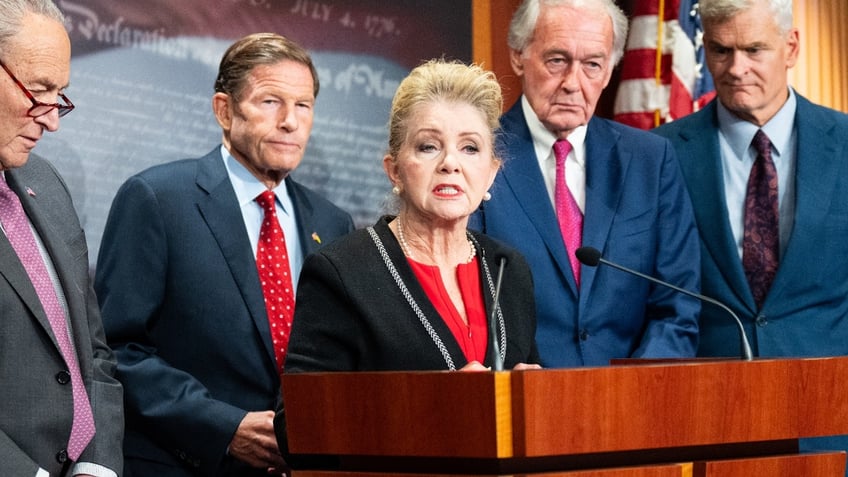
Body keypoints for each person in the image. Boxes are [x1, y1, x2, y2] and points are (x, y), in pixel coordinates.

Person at [94, 33, 354, 476]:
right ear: (224, 110)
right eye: (271, 101)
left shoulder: (334, 224)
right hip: (185, 463)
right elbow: (118, 348)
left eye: (304, 105)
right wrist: (223, 427)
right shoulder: (158, 198)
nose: (290, 121)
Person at [652, 0, 848, 467]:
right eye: (721, 50)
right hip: (709, 417)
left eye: (754, 49)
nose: (736, 68)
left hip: (830, 414)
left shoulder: (843, 143)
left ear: (791, 47)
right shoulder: (660, 154)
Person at [469, 0, 701, 368]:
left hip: (630, 405)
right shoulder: (476, 156)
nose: (573, 83)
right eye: (557, 60)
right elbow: (465, 309)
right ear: (518, 56)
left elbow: (678, 308)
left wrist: (630, 391)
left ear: (609, 71)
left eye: (592, 64)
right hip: (523, 401)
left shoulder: (651, 161)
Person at [281, 59, 541, 373]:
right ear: (395, 171)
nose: (450, 163)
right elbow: (298, 417)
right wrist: (437, 402)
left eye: (470, 148)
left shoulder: (509, 269)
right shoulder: (341, 272)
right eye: (428, 146)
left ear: (491, 172)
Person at [0, 0, 124, 476]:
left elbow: (91, 349)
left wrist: (97, 465)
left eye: (61, 94)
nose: (52, 120)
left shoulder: (46, 182)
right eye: (38, 91)